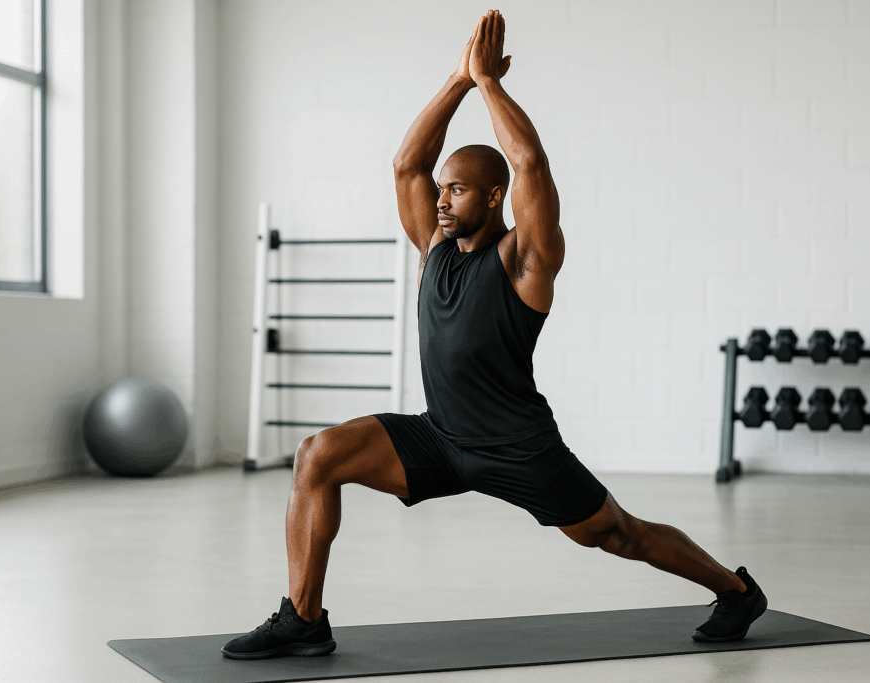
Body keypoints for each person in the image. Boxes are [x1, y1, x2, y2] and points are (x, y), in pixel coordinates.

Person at [222, 10, 767, 660]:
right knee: (318, 455)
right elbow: (406, 165)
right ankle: (304, 618)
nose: (442, 199)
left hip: (517, 446)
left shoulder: (525, 260)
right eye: (443, 190)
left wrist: (489, 84)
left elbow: (530, 159)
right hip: (441, 435)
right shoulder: (435, 248)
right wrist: (458, 78)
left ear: (493, 195)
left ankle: (735, 590)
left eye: (457, 190)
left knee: (619, 534)